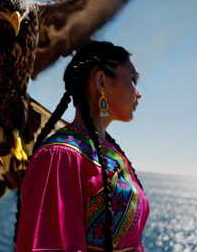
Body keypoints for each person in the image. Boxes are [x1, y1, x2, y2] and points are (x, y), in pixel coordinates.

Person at [14, 41, 150, 252]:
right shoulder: (60, 156)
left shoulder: (110, 152)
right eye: (132, 79)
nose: (138, 93)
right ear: (101, 81)